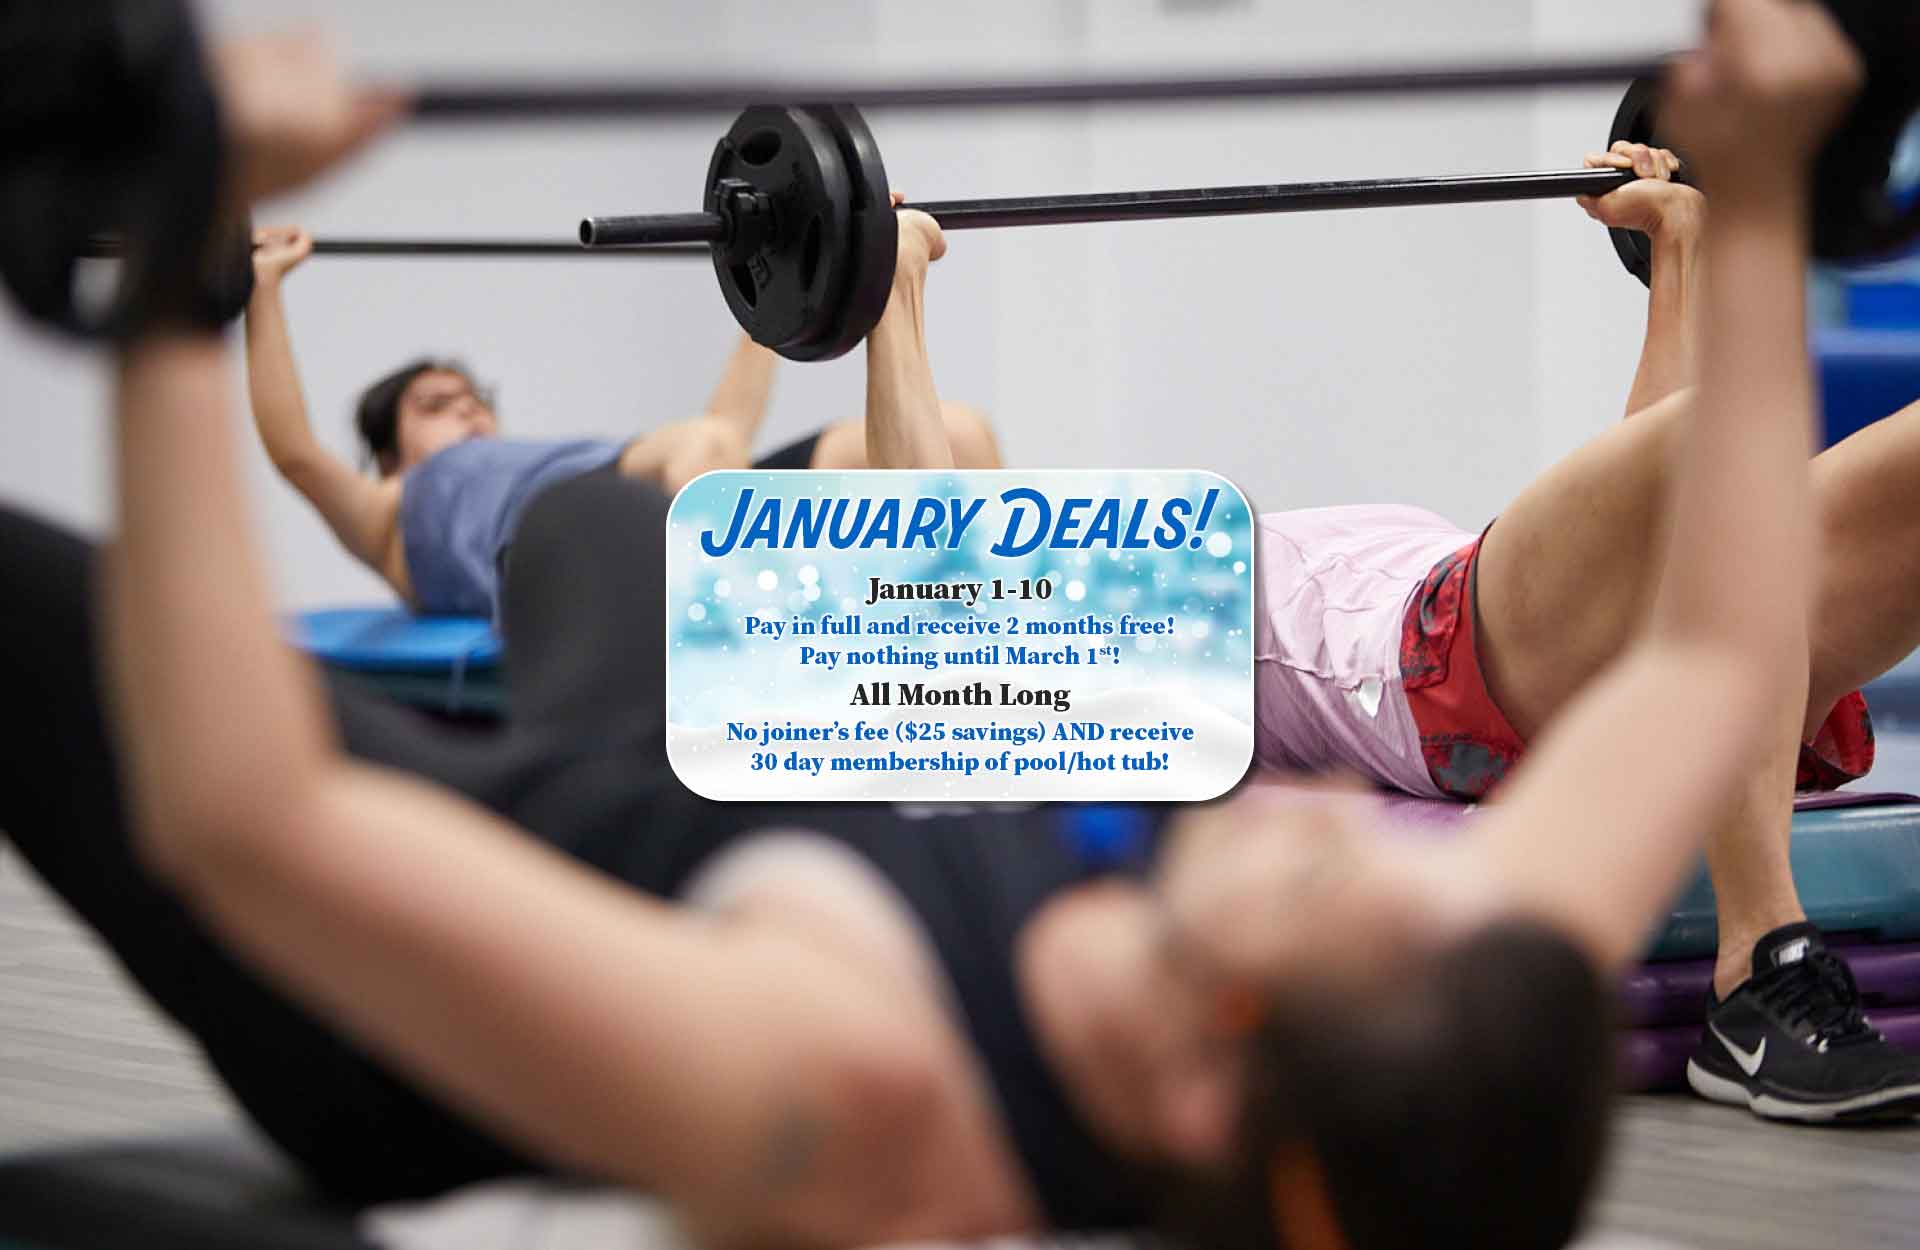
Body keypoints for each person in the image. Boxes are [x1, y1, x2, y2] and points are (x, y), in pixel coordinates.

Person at [0, 7, 1868, 1250]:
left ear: (1201, 1070)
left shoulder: (846, 1090)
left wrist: (180, 269)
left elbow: (248, 819)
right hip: (685, 776)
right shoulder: (1440, 1005)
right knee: (597, 522)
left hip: (410, 982)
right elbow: (1715, 657)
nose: (1326, 813)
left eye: (1318, 871)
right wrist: (1772, 186)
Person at [242, 222, 1002, 616]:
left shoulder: (570, 459)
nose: (468, 408)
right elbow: (295, 451)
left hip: (671, 512)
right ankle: (785, 630)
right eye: (436, 406)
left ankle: (974, 620)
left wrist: (800, 264)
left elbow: (724, 433)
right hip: (586, 562)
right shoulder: (389, 518)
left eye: (474, 398)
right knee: (705, 447)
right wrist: (263, 287)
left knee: (960, 433)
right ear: (386, 456)